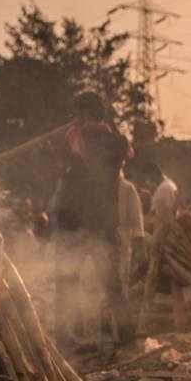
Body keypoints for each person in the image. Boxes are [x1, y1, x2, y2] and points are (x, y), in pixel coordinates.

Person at [51, 91, 135, 344]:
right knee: (112, 285)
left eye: (77, 113)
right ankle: (128, 338)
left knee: (67, 281)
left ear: (85, 114)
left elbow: (75, 151)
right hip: (104, 222)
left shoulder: (77, 137)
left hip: (74, 222)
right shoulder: (119, 142)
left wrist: (76, 130)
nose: (73, 118)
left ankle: (72, 337)